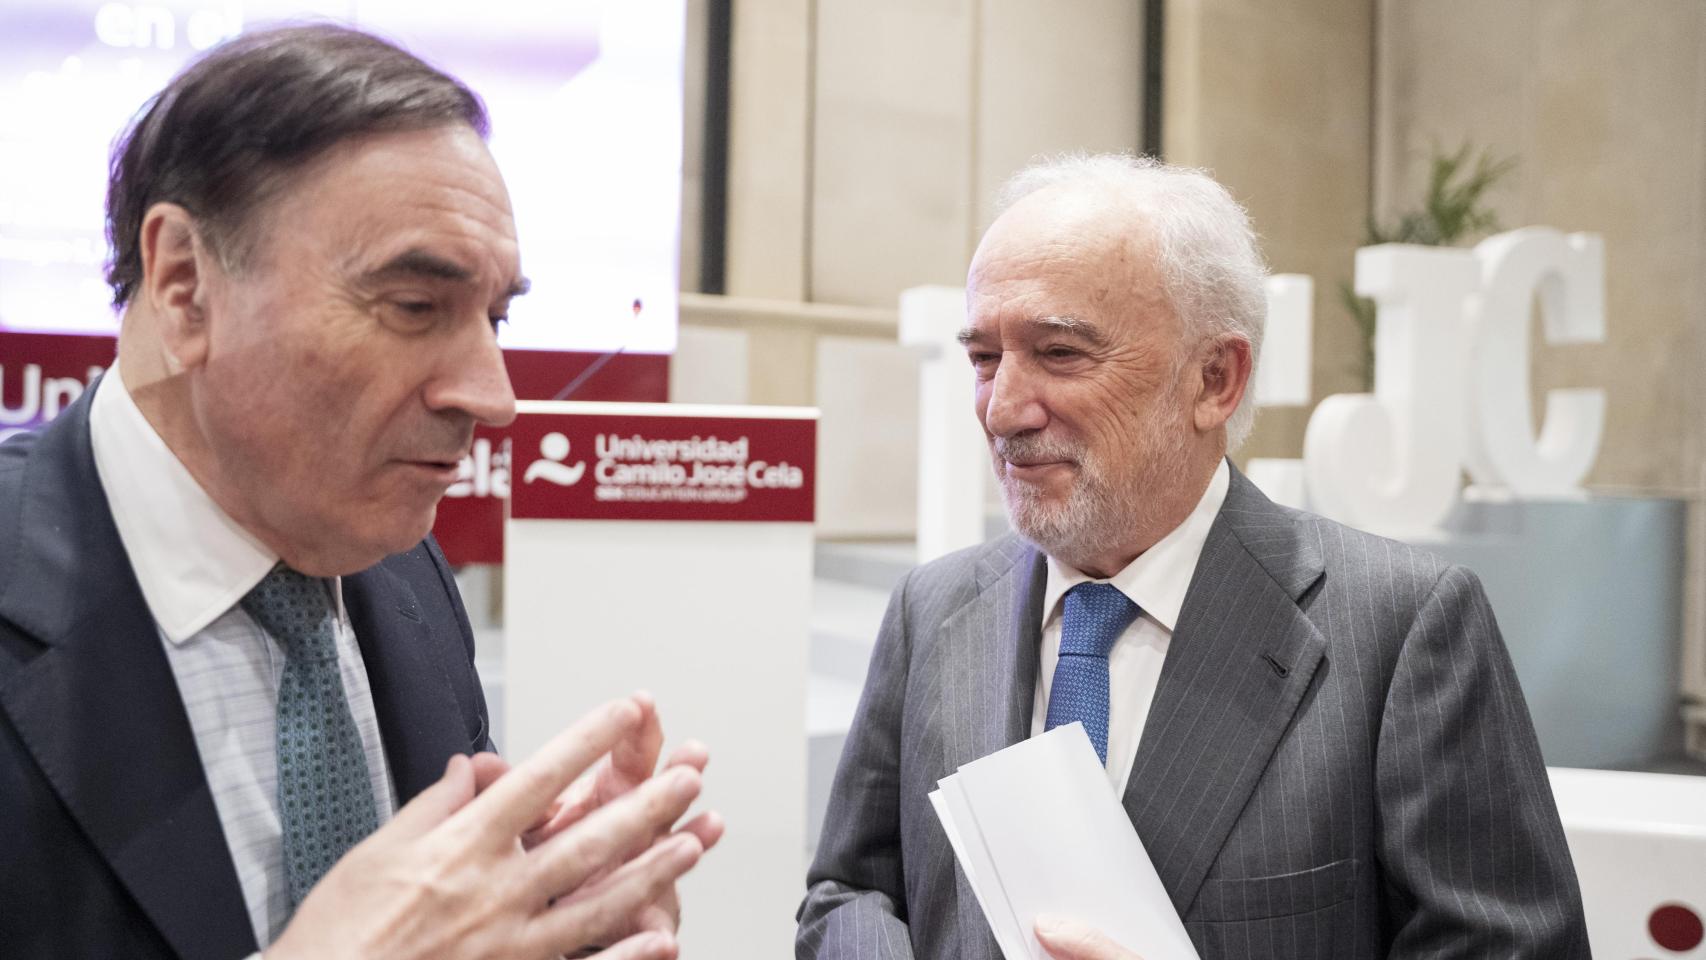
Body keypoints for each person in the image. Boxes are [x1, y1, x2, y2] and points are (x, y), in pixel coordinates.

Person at [0, 25, 720, 960]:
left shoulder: (406, 573)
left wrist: (536, 926)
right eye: (415, 307)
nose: (495, 398)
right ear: (183, 284)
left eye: (496, 317)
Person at [796, 154, 1590, 960]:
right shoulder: (931, 611)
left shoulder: (1401, 631)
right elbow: (849, 891)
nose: (1002, 409)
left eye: (1061, 354)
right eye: (984, 358)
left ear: (1215, 379)